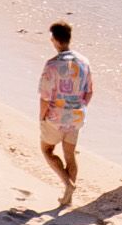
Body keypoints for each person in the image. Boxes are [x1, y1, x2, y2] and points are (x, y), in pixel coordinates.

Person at [37, 21, 92, 202]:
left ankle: (68, 184)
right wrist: (79, 107)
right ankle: (68, 198)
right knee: (70, 155)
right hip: (76, 116)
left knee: (47, 150)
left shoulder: (52, 65)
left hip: (55, 116)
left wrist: (41, 117)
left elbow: (45, 97)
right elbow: (89, 91)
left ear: (54, 40)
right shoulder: (84, 62)